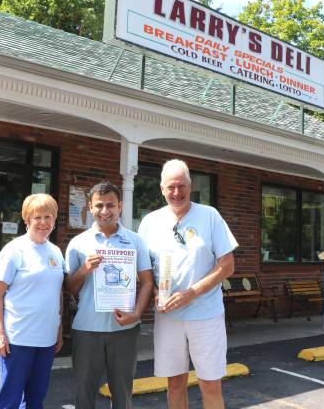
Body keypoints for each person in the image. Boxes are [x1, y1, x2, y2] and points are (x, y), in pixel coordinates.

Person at [138, 159, 238, 409]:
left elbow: (228, 265)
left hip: (206, 316)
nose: (176, 192)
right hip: (167, 317)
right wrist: (150, 297)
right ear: (161, 189)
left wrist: (191, 293)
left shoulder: (210, 215)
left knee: (210, 384)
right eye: (171, 187)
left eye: (182, 186)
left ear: (190, 186)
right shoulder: (150, 222)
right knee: (174, 383)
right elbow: (143, 270)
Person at [64, 181, 153, 409]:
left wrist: (136, 314)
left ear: (120, 206)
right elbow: (69, 289)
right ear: (90, 208)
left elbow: (147, 282)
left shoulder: (135, 241)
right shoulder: (77, 243)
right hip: (87, 329)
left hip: (124, 329)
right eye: (99, 205)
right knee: (84, 393)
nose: (105, 211)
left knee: (122, 393)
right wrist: (84, 269)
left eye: (110, 205)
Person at [0, 193, 64, 409]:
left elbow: (57, 292)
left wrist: (59, 330)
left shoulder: (56, 252)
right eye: (37, 217)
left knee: (36, 398)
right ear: (27, 220)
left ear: (54, 220)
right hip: (17, 339)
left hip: (46, 339)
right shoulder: (14, 250)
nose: (43, 222)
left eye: (48, 217)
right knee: (9, 399)